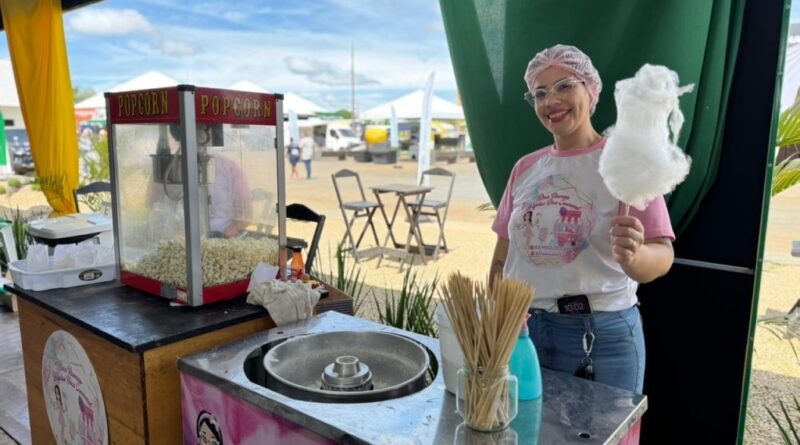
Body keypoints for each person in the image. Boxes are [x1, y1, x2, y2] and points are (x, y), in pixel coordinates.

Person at [489, 44, 675, 395]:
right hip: (522, 327)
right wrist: (496, 318)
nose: (550, 100)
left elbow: (662, 255)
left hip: (602, 336)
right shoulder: (525, 168)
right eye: (539, 93)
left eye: (564, 86)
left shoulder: (625, 162)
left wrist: (635, 256)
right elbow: (503, 255)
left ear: (590, 91)